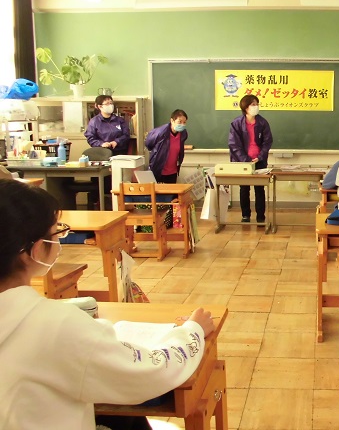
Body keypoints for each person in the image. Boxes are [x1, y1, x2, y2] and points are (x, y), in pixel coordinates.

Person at [0, 179, 216, 430]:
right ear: (36, 251)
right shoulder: (55, 326)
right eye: (57, 233)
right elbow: (150, 372)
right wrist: (193, 331)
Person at [228, 94, 273, 223]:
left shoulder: (262, 122)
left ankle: (260, 216)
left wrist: (259, 157)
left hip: (259, 161)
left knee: (259, 188)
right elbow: (234, 144)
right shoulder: (236, 123)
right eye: (253, 104)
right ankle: (245, 215)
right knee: (244, 188)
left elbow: (267, 142)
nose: (256, 107)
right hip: (242, 162)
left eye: (257, 104)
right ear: (245, 107)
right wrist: (245, 159)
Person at [145, 109, 189, 183]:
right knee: (158, 190)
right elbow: (148, 144)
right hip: (158, 170)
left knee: (172, 190)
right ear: (172, 121)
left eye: (184, 122)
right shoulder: (160, 133)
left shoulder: (183, 134)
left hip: (173, 172)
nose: (182, 125)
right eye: (180, 122)